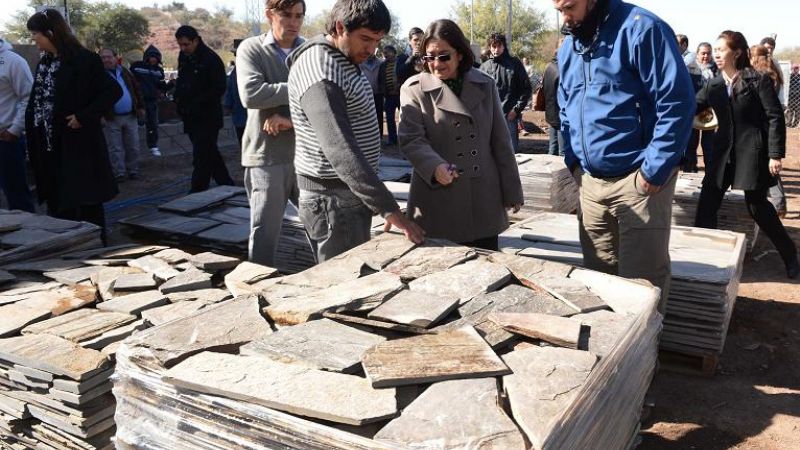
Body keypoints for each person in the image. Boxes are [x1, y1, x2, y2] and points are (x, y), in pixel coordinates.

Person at [554, 0, 695, 310]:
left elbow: (676, 102)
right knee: (599, 285)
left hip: (638, 184)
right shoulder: (570, 48)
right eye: (559, 10)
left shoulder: (643, 30)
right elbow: (565, 106)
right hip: (590, 186)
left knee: (642, 290)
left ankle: (644, 358)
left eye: (570, 7)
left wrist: (653, 172)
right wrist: (574, 162)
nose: (565, 18)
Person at [287, 0, 424, 262]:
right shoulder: (321, 69)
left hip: (345, 196)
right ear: (340, 27)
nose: (372, 49)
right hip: (334, 201)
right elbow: (338, 148)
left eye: (377, 41)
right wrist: (389, 209)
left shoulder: (340, 59)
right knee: (344, 287)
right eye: (365, 39)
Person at [398, 19, 523, 250]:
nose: (436, 63)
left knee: (488, 272)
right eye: (429, 57)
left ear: (460, 55)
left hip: (483, 198)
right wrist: (434, 166)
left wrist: (512, 190)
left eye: (444, 56)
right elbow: (411, 139)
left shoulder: (485, 84)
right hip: (437, 199)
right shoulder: (414, 89)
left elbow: (501, 142)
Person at [694, 31, 798, 278]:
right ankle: (701, 262)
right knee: (707, 203)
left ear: (737, 52)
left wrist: (775, 154)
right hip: (722, 153)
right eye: (715, 50)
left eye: (722, 49)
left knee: (757, 206)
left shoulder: (757, 80)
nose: (717, 54)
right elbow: (693, 107)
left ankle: (790, 254)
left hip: (752, 152)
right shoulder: (714, 84)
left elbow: (775, 117)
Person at [25, 9, 120, 241]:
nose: (33, 39)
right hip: (50, 147)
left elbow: (111, 91)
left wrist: (83, 116)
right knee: (58, 204)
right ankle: (67, 252)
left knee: (86, 202)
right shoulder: (45, 64)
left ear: (50, 33)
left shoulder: (83, 60)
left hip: (78, 147)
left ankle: (96, 248)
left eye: (36, 34)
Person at [236, 0, 305, 267]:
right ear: (269, 15)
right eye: (286, 15)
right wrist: (303, 84)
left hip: (306, 153)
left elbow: (325, 100)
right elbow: (251, 95)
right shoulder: (252, 49)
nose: (293, 22)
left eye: (298, 16)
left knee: (320, 225)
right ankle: (256, 290)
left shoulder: (309, 50)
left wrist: (289, 119)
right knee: (265, 231)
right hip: (267, 156)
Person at [173, 25, 235, 193]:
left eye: (186, 44)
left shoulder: (211, 59)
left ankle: (198, 191)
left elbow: (219, 88)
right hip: (190, 116)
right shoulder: (184, 57)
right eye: (180, 45)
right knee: (209, 153)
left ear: (196, 40)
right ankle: (226, 183)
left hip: (207, 116)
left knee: (201, 156)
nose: (183, 48)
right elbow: (183, 80)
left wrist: (198, 102)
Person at [480, 32, 532, 153]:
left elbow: (526, 89)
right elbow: (478, 94)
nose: (496, 49)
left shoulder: (514, 64)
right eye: (493, 46)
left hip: (509, 117)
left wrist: (516, 110)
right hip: (490, 119)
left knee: (511, 154)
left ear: (504, 46)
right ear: (490, 47)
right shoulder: (484, 67)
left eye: (499, 46)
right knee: (491, 154)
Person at [0, 35, 35, 212]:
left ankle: (30, 236)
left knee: (17, 196)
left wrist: (15, 129)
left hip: (6, 141)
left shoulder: (13, 61)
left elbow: (28, 97)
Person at [99, 48, 145, 182]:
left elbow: (136, 89)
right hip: (111, 117)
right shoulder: (98, 75)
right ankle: (119, 173)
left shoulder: (125, 72)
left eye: (108, 57)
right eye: (103, 58)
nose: (106, 60)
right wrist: (99, 115)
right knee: (115, 148)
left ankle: (133, 171)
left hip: (130, 115)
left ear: (115, 57)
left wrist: (141, 106)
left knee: (133, 145)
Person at [130, 45, 167, 156]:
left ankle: (153, 146)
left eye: (156, 57)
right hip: (138, 102)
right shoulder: (137, 66)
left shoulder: (159, 71)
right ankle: (133, 148)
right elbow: (130, 81)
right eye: (151, 56)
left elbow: (161, 86)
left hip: (152, 102)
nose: (153, 59)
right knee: (135, 124)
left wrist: (170, 85)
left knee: (153, 124)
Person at [688, 42, 717, 169]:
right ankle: (690, 168)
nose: (706, 56)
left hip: (710, 111)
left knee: (709, 143)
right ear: (697, 53)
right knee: (691, 141)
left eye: (708, 53)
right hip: (693, 109)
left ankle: (710, 171)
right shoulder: (689, 68)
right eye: (703, 53)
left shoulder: (716, 69)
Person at [224, 39, 247, 145]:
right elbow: (229, 92)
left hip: (252, 117)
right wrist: (227, 106)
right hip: (240, 115)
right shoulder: (235, 72)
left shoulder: (258, 69)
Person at [541, 51, 563, 155]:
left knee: (553, 147)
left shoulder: (549, 67)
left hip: (550, 110)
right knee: (563, 151)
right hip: (561, 112)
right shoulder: (562, 69)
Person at [379, 45, 400, 146]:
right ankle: (392, 140)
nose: (385, 55)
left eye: (387, 52)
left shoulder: (401, 62)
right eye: (384, 53)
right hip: (389, 97)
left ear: (393, 52)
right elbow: (380, 80)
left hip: (401, 95)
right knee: (389, 118)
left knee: (404, 118)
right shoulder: (383, 65)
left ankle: (404, 139)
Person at [360, 52, 384, 139]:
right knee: (367, 114)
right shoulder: (360, 63)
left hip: (378, 93)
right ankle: (368, 135)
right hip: (365, 92)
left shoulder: (380, 63)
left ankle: (379, 135)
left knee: (379, 115)